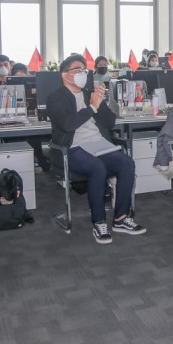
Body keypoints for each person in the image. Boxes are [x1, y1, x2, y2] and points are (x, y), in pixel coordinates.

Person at [46, 54, 145, 244]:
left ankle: (121, 219)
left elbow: (110, 123)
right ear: (65, 75)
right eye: (78, 70)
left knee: (127, 163)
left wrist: (101, 103)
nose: (83, 73)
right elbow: (68, 125)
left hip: (98, 144)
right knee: (97, 167)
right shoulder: (56, 98)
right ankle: (99, 222)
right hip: (72, 148)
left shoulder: (89, 94)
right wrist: (92, 107)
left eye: (84, 70)